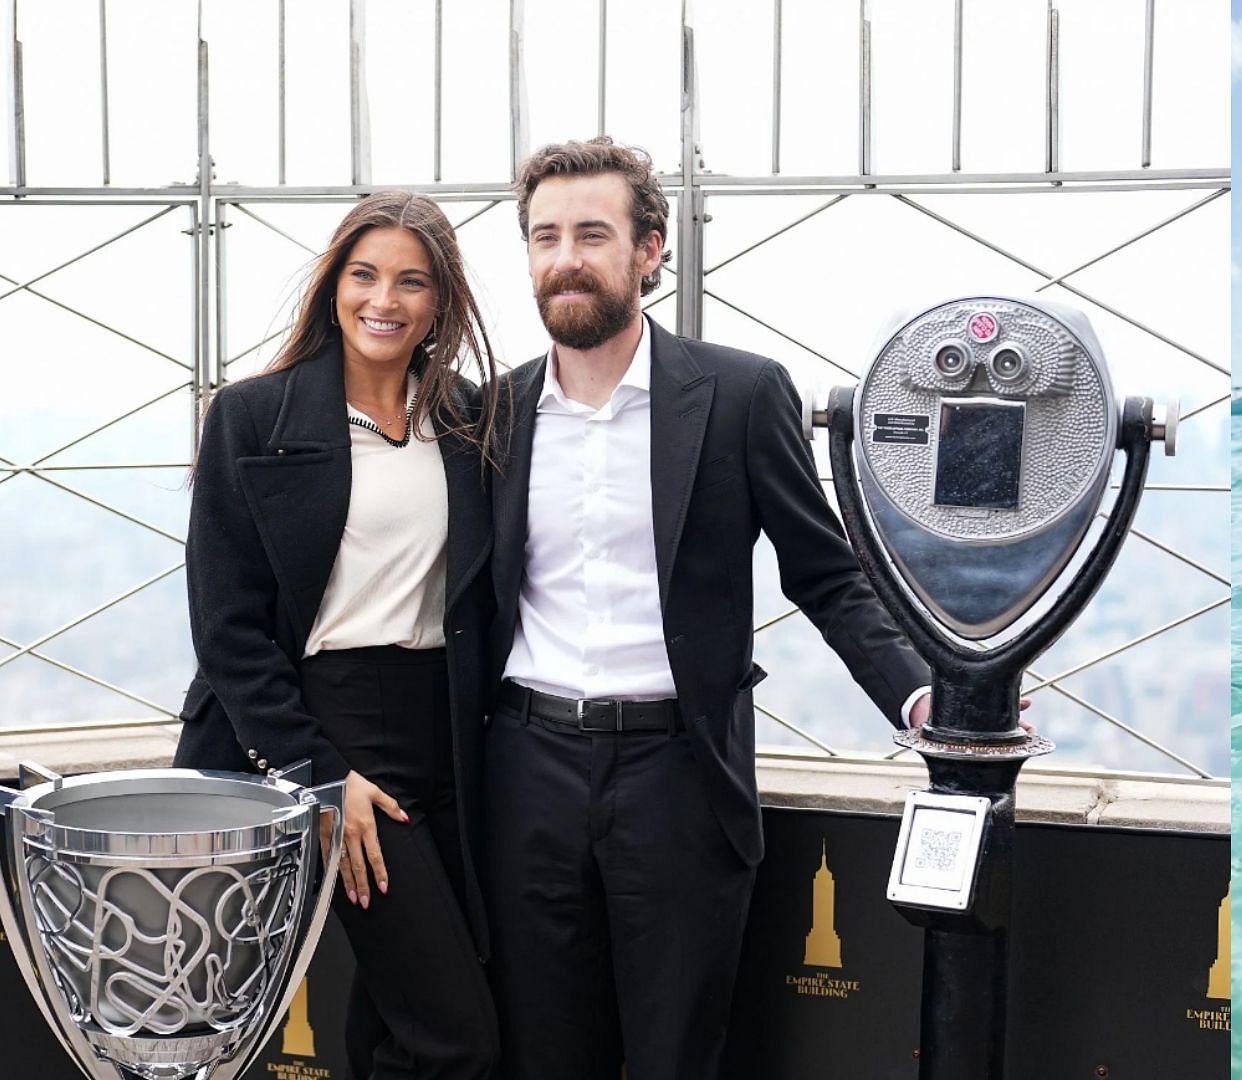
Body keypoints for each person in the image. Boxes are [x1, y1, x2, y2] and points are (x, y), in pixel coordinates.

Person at [481, 136, 932, 1078]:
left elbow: (828, 573)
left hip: (678, 778)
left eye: (593, 234)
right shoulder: (493, 413)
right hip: (526, 773)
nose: (566, 258)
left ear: (649, 251)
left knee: (675, 1057)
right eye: (544, 236)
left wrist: (925, 695)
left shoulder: (737, 394)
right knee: (541, 1057)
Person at [175, 191, 502, 1078]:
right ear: (332, 287)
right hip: (332, 729)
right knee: (454, 1037)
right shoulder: (254, 416)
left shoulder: (473, 420)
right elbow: (228, 627)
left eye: (411, 281)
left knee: (399, 1014)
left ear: (442, 302)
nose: (383, 300)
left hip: (449, 735)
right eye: (363, 275)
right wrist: (321, 776)